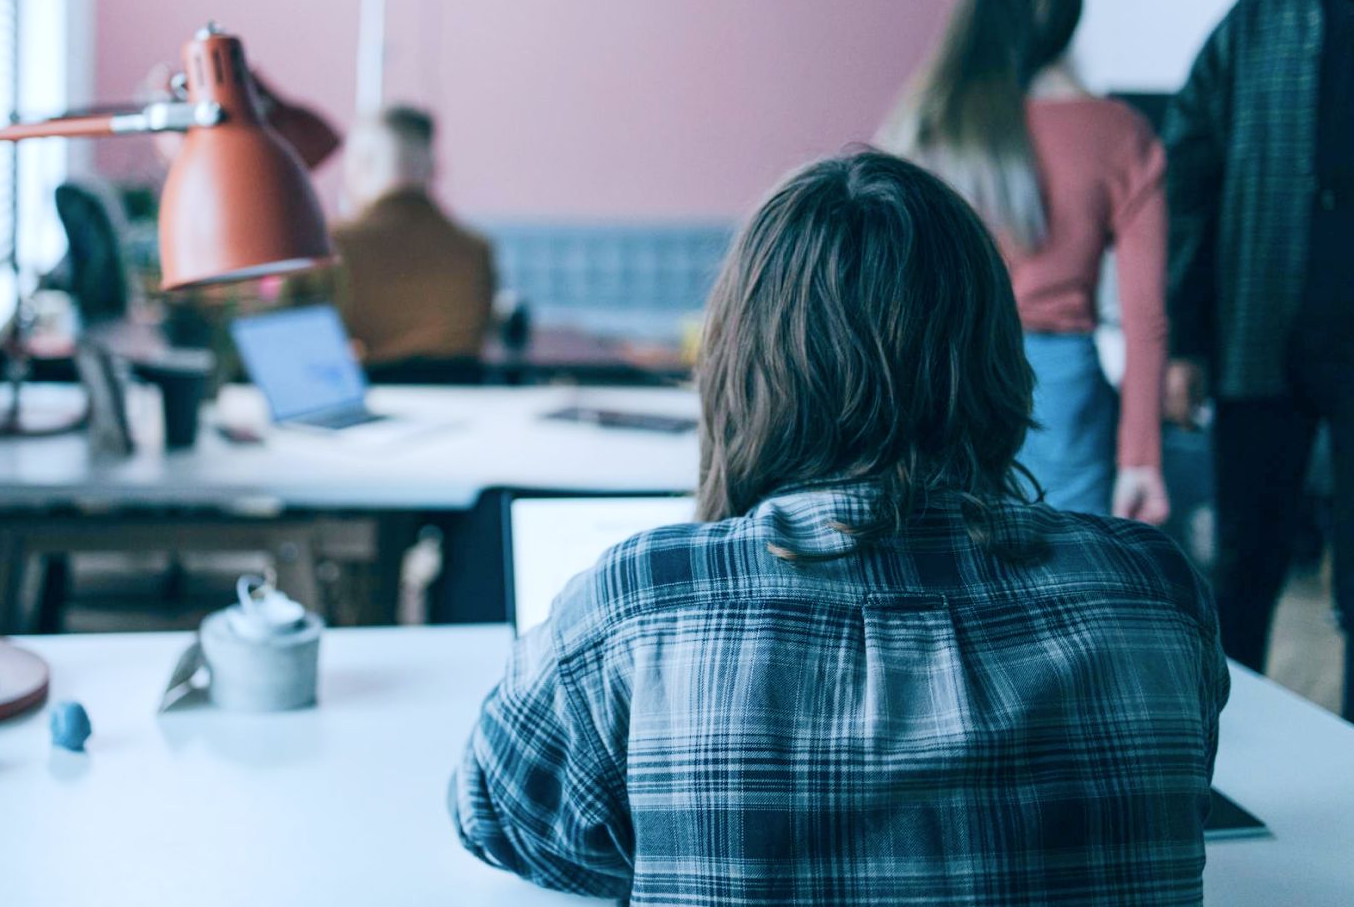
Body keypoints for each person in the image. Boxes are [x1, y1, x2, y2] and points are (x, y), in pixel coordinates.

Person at [451, 152, 1228, 905]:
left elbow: (492, 815)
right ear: (996, 354)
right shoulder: (1153, 592)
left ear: (742, 366)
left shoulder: (639, 607)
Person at [1164, 0, 1354, 725]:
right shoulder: (1256, 20)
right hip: (1259, 339)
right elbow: (1189, 186)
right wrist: (1183, 339)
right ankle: (1225, 758)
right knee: (1245, 566)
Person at [881, 0, 1169, 524]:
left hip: (942, 377)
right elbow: (1145, 318)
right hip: (1061, 393)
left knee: (945, 560)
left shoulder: (925, 124)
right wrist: (1140, 459)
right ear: (1068, 10)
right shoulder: (1120, 132)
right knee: (1067, 571)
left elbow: (883, 289)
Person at [324, 105, 495, 366]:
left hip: (373, 387)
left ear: (361, 165)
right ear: (434, 169)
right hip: (461, 390)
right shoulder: (477, 250)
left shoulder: (335, 246)